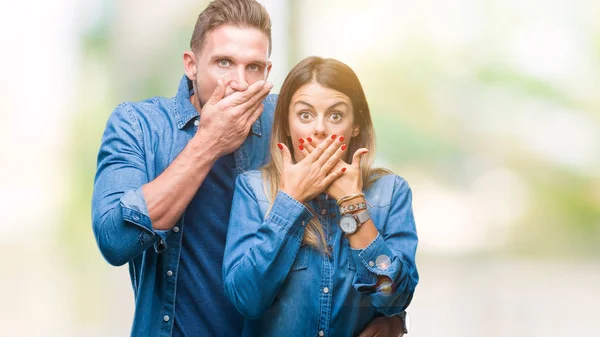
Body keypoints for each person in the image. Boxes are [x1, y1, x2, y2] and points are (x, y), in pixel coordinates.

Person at [92, 0, 408, 335]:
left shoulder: (289, 122)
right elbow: (115, 241)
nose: (240, 83)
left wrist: (389, 312)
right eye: (224, 63)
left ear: (268, 72)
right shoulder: (138, 126)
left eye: (254, 67)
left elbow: (354, 212)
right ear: (191, 64)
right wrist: (209, 142)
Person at [223, 56, 419, 336]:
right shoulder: (254, 190)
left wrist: (353, 205)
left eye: (335, 115)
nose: (319, 129)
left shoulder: (391, 192)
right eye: (305, 115)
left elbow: (394, 299)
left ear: (355, 126)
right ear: (288, 125)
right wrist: (290, 202)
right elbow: (246, 300)